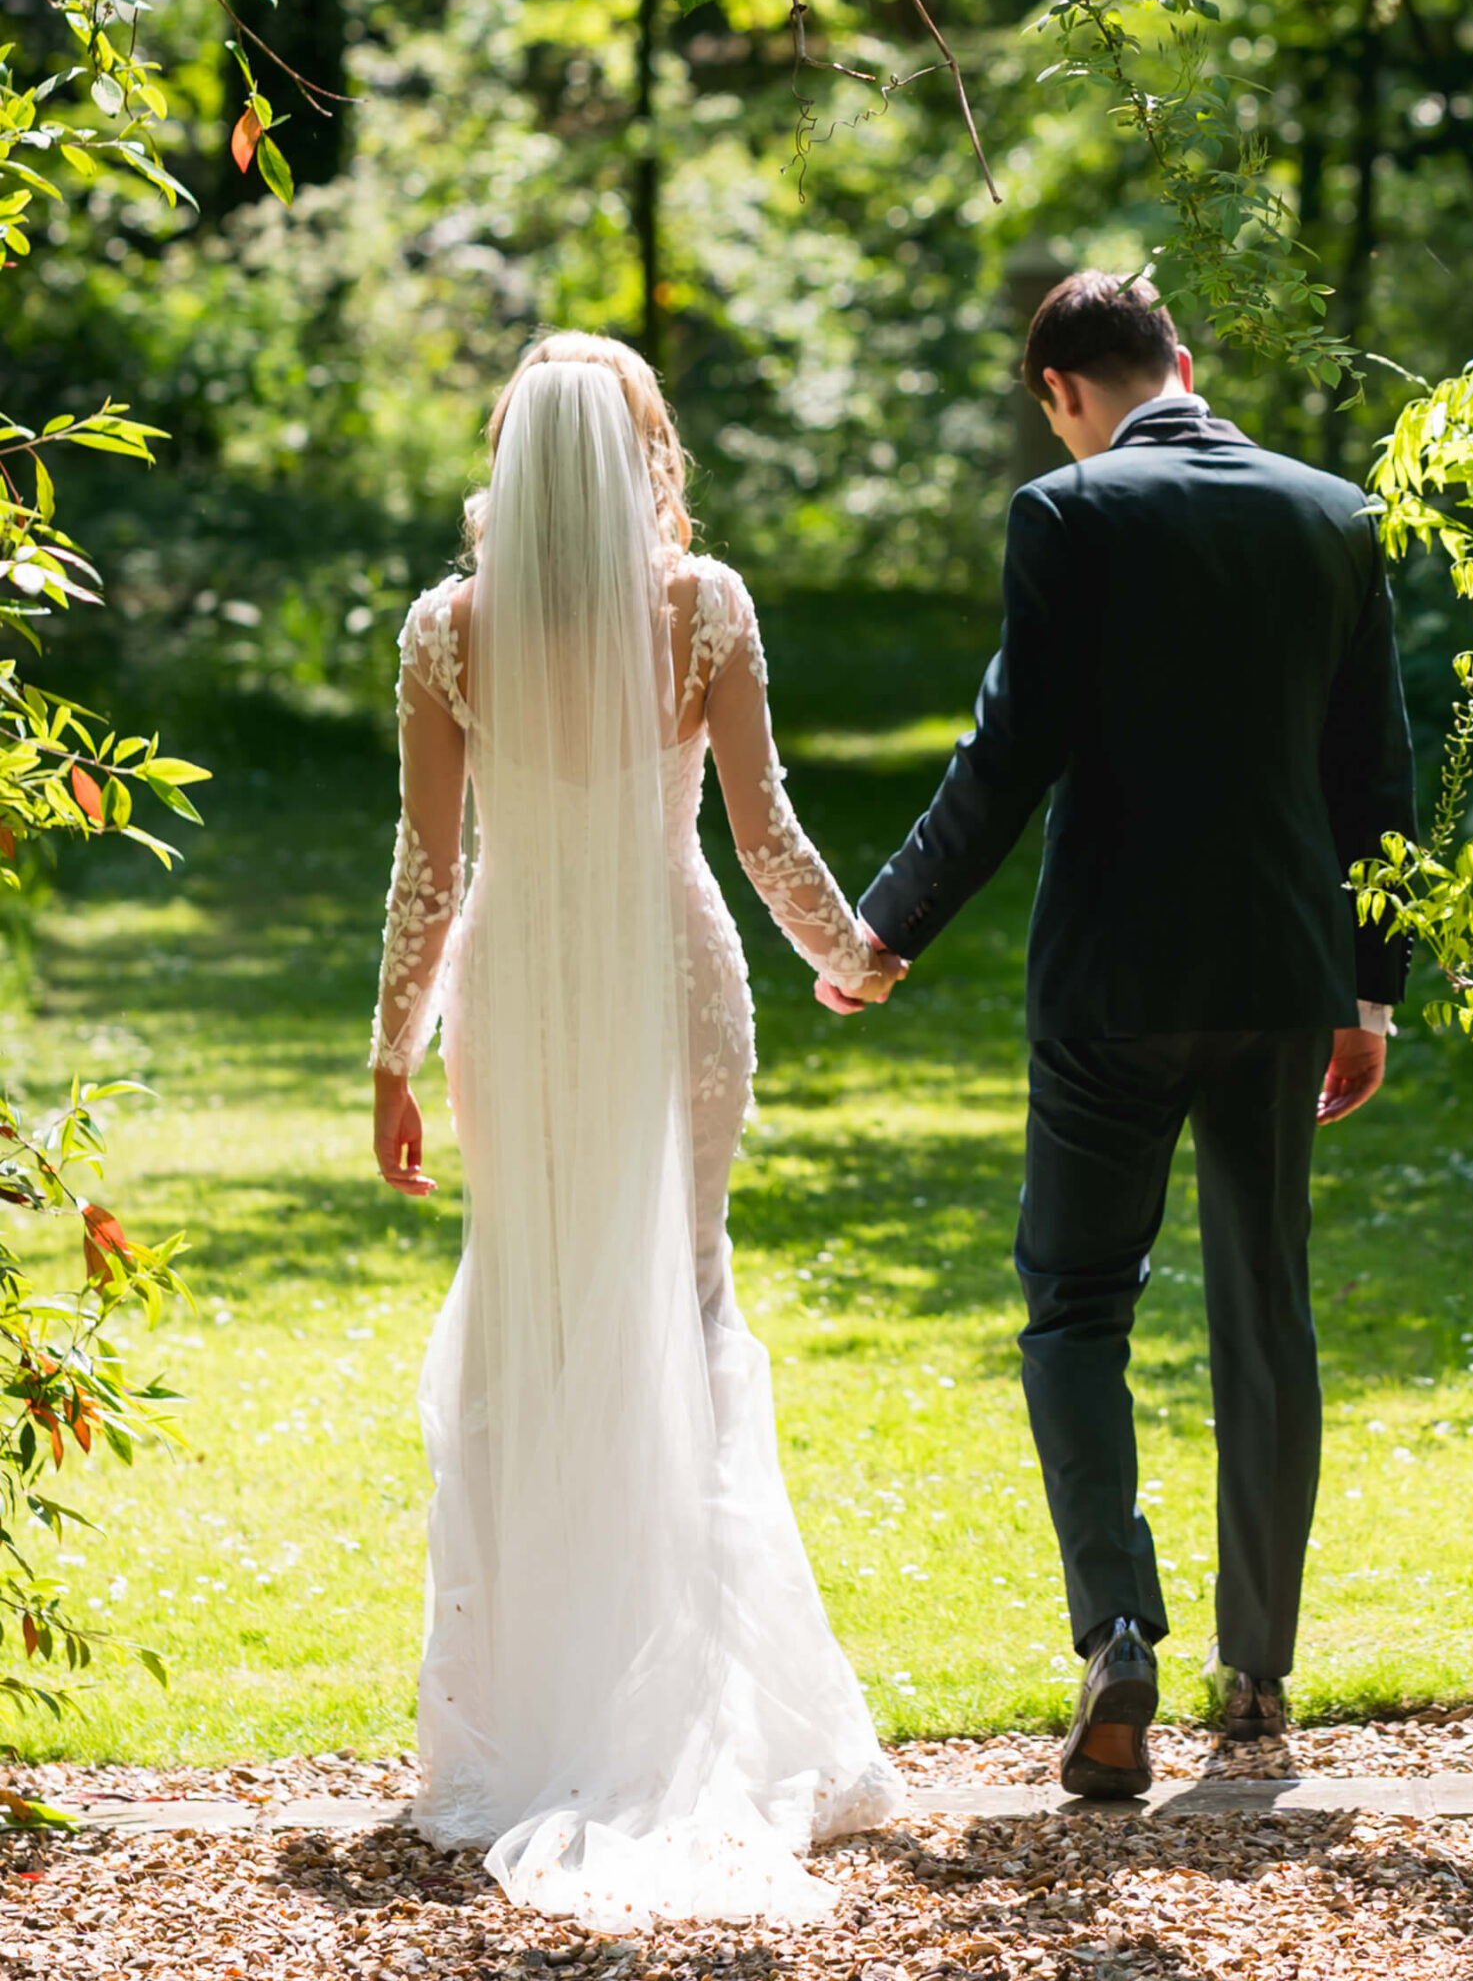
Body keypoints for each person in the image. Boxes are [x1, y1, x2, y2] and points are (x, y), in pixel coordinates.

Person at [833, 270, 1416, 1798]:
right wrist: (1372, 991)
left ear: (1059, 391)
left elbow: (1010, 747)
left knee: (1075, 1305)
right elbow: (1377, 770)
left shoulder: (1070, 515)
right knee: (1263, 1311)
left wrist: (885, 927)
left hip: (1112, 984)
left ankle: (1118, 1637)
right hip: (1284, 980)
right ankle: (1261, 1674)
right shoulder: (1335, 514)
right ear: (1182, 360)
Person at [368, 333, 905, 1927]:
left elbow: (427, 873)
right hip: (672, 981)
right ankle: (687, 1722)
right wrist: (851, 951)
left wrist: (392, 1053)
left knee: (541, 1323)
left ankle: (539, 1715)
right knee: (678, 1306)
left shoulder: (447, 629)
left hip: (517, 992)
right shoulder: (702, 607)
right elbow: (761, 832)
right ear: (644, 455)